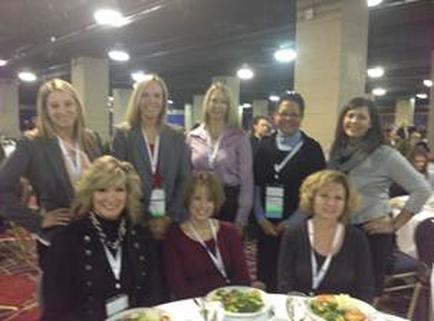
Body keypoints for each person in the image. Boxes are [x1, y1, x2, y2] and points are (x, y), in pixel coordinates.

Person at [328, 97, 431, 297]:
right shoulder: (338, 151)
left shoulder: (383, 154)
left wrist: (395, 225)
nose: (354, 121)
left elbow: (422, 189)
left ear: (371, 123)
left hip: (371, 232)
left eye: (361, 117)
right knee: (339, 289)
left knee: (364, 294)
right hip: (342, 229)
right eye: (350, 115)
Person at [42, 156, 163, 321]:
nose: (111, 198)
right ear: (90, 193)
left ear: (129, 194)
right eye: (102, 190)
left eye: (119, 190)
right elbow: (57, 309)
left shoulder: (141, 235)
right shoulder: (67, 240)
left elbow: (154, 292)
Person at [0, 78, 103, 269]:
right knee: (61, 296)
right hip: (57, 237)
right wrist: (37, 221)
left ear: (77, 106)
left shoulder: (91, 139)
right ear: (45, 110)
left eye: (68, 104)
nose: (63, 111)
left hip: (94, 233)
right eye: (54, 106)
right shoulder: (32, 144)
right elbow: (2, 189)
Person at [254, 92, 326, 292]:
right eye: (283, 113)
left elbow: (316, 192)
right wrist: (261, 219)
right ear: (274, 116)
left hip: (299, 227)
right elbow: (256, 185)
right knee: (267, 278)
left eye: (294, 114)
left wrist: (293, 222)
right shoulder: (263, 147)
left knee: (294, 279)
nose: (288, 119)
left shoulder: (312, 149)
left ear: (302, 117)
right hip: (267, 225)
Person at [112, 74, 190, 239]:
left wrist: (168, 217)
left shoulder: (176, 135)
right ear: (137, 99)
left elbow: (184, 179)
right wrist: (143, 218)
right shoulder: (123, 135)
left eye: (157, 96)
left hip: (172, 219)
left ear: (163, 100)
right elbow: (120, 182)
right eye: (145, 95)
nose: (151, 101)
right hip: (135, 220)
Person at [277, 170, 374, 302]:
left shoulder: (357, 239)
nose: (330, 203)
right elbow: (284, 283)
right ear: (312, 198)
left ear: (346, 203)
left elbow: (365, 289)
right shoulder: (293, 234)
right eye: (324, 196)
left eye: (338, 198)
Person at [162, 171, 250, 299]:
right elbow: (179, 288)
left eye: (209, 200)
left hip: (229, 303)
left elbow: (243, 279)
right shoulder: (174, 237)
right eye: (197, 198)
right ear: (188, 199)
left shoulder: (230, 232)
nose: (203, 205)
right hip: (193, 307)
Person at [187, 82, 253, 229]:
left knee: (225, 249)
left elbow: (247, 181)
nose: (217, 106)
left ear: (229, 107)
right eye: (214, 100)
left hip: (229, 202)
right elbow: (185, 175)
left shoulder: (239, 137)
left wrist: (241, 217)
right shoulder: (193, 136)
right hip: (199, 200)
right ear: (207, 104)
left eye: (223, 102)